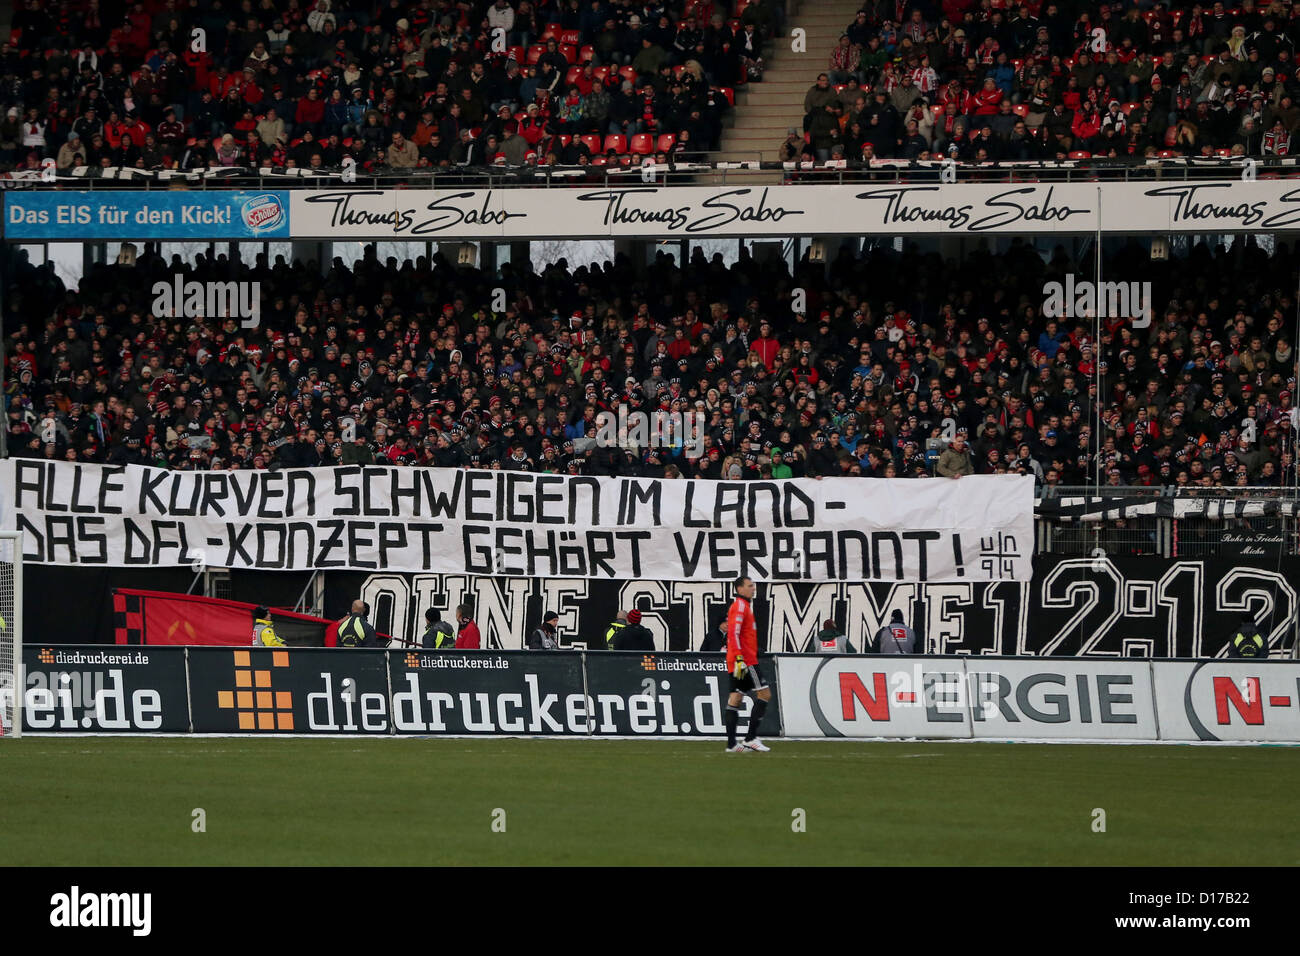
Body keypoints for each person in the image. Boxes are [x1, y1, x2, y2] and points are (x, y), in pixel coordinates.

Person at [724, 576, 771, 753]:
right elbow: (733, 634)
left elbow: (741, 634)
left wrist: (753, 647)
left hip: (739, 658)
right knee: (765, 694)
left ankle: (731, 745)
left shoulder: (742, 606)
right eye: (750, 586)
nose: (754, 589)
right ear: (739, 589)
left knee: (736, 698)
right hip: (745, 660)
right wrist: (740, 659)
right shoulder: (741, 606)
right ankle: (751, 738)